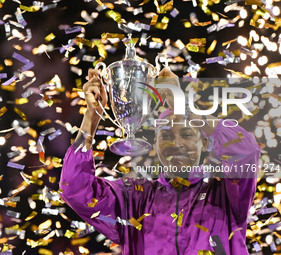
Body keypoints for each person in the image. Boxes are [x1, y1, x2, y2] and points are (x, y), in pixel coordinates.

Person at [59, 68, 261, 255]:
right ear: (155, 145)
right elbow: (75, 189)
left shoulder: (226, 194)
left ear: (205, 143)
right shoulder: (134, 199)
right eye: (166, 136)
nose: (176, 143)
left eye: (187, 133)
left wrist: (184, 107)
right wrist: (92, 117)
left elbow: (246, 151)